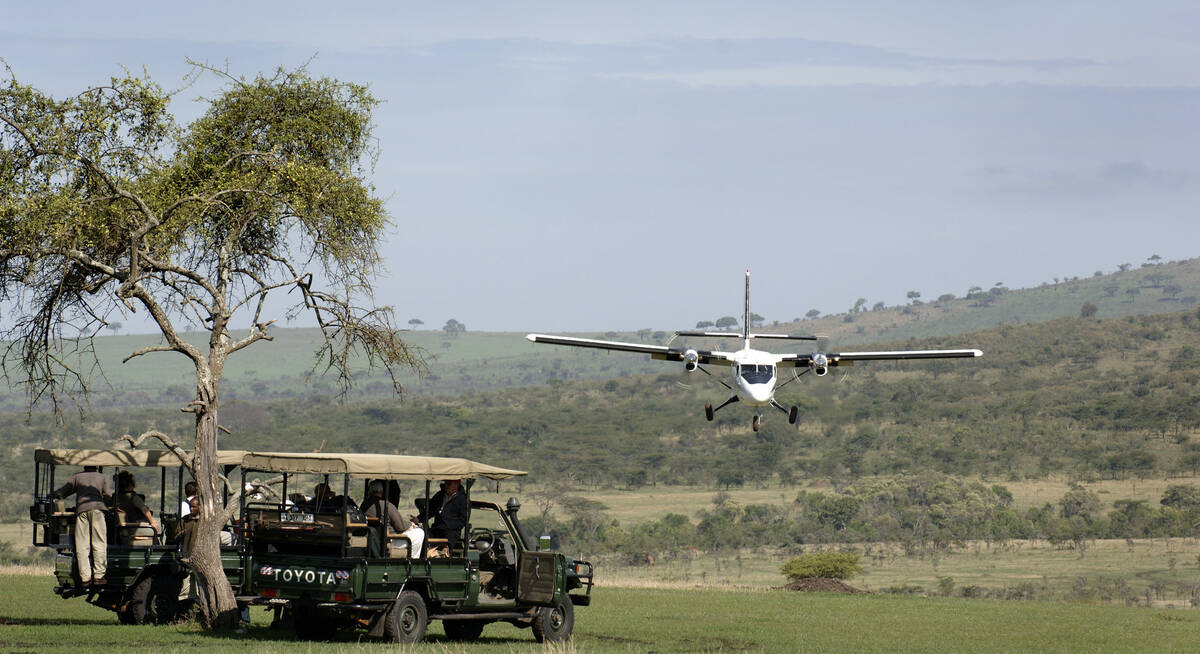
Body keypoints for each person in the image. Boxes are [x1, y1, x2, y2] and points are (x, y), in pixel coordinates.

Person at [53, 465, 112, 586]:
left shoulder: (77, 477)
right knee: (99, 542)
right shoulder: (102, 477)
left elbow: (62, 492)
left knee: (82, 545)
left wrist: (52, 495)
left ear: (84, 466)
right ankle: (99, 576)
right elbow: (108, 496)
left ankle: (85, 578)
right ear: (96, 466)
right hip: (97, 511)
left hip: (82, 511)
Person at [363, 480, 424, 558]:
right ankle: (413, 559)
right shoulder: (386, 505)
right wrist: (411, 524)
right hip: (390, 540)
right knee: (420, 532)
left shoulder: (364, 505)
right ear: (382, 491)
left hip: (375, 539)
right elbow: (400, 526)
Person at [419, 478, 470, 545]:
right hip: (436, 529)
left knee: (448, 539)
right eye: (446, 483)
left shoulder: (463, 500)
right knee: (422, 536)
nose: (446, 486)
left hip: (451, 532)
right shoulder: (439, 495)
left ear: (457, 484)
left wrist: (447, 525)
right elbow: (430, 510)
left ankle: (443, 552)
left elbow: (462, 521)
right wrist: (418, 519)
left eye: (449, 484)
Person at [116, 471, 159, 542]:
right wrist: (152, 522)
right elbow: (145, 510)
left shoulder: (115, 496)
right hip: (132, 526)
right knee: (157, 524)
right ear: (130, 484)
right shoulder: (132, 497)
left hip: (120, 527)